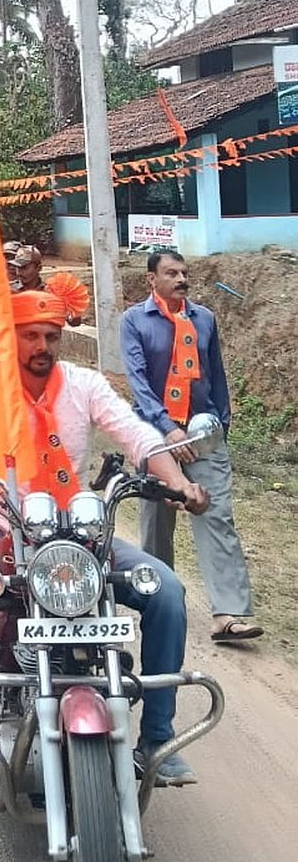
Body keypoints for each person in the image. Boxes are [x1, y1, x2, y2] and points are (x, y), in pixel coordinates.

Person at [0, 276, 208, 787]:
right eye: (30, 336)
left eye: (50, 336)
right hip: (4, 536)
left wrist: (180, 482)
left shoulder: (84, 385)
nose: (42, 347)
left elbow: (136, 434)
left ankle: (158, 737)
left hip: (78, 541)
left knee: (166, 589)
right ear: (10, 337)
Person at [121, 250, 261, 644]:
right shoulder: (134, 321)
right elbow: (139, 383)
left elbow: (216, 377)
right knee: (156, 522)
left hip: (203, 432)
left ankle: (229, 614)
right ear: (152, 279)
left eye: (184, 273)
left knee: (216, 515)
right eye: (172, 273)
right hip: (155, 436)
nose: (181, 279)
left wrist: (221, 427)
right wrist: (166, 429)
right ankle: (158, 600)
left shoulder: (204, 319)